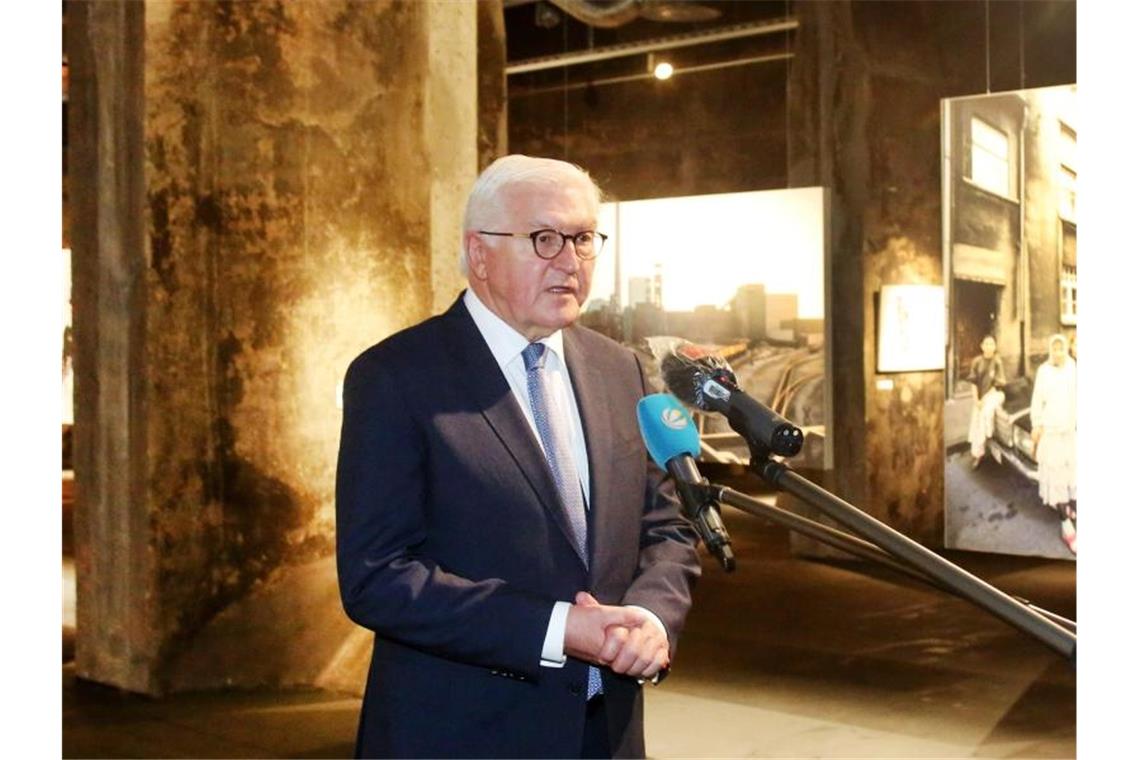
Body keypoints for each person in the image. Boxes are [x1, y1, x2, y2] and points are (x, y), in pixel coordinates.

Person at [335, 154, 702, 758]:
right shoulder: (396, 377)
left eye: (584, 239)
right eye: (545, 239)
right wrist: (557, 628)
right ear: (479, 253)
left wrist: (651, 620)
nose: (571, 261)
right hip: (460, 734)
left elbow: (665, 524)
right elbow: (377, 576)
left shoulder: (620, 369)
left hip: (605, 733)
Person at [1030, 333, 1077, 554]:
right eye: (1055, 348)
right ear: (1051, 350)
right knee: (1057, 479)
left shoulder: (1072, 367)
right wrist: (1036, 424)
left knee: (1073, 477)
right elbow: (1037, 400)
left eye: (1061, 348)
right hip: (1052, 432)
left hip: (1071, 431)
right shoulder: (1043, 371)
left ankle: (1071, 509)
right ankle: (1066, 525)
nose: (1058, 352)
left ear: (1066, 348)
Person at [966, 335, 1006, 469]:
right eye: (986, 344)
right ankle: (978, 454)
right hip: (980, 397)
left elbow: (998, 384)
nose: (989, 347)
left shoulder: (997, 362)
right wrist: (976, 400)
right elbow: (973, 383)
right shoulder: (977, 361)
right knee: (977, 423)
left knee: (985, 414)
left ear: (995, 347)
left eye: (992, 344)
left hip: (994, 394)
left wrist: (983, 400)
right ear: (982, 346)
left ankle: (989, 434)